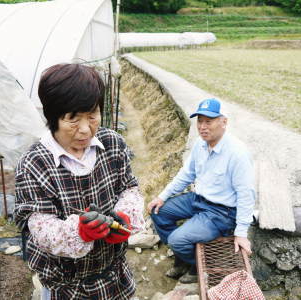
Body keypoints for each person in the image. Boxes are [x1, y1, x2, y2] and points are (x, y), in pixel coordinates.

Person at [14, 63, 145, 299]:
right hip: (65, 285)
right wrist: (79, 232)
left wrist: (124, 218)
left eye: (93, 115)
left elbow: (129, 189)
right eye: (73, 119)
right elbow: (41, 228)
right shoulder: (34, 164)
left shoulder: (112, 144)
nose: (85, 129)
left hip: (113, 274)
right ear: (52, 117)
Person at [147, 98, 255, 284]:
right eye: (199, 121)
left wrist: (241, 233)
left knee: (176, 240)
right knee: (158, 211)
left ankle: (197, 267)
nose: (202, 127)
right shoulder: (200, 144)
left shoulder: (237, 154)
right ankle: (183, 260)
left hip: (221, 212)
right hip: (197, 199)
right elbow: (186, 174)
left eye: (208, 121)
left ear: (224, 122)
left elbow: (246, 195)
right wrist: (162, 196)